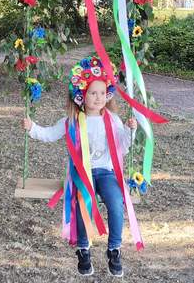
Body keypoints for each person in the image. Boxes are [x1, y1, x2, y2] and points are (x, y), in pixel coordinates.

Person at [23, 55, 137, 277]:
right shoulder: (72, 120)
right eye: (93, 93)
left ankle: (114, 249)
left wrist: (131, 130)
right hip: (81, 173)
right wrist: (31, 128)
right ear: (82, 95)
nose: (98, 97)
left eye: (102, 93)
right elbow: (48, 134)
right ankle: (83, 249)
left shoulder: (112, 119)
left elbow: (123, 147)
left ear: (108, 95)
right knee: (84, 201)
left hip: (106, 172)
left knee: (116, 202)